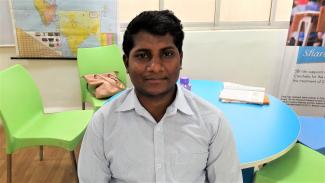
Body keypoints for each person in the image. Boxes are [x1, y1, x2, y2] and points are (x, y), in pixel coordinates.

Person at [78, 10, 242, 183]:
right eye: (142, 55)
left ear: (181, 60)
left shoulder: (212, 122)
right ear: (126, 63)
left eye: (167, 54)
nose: (155, 67)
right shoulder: (103, 124)